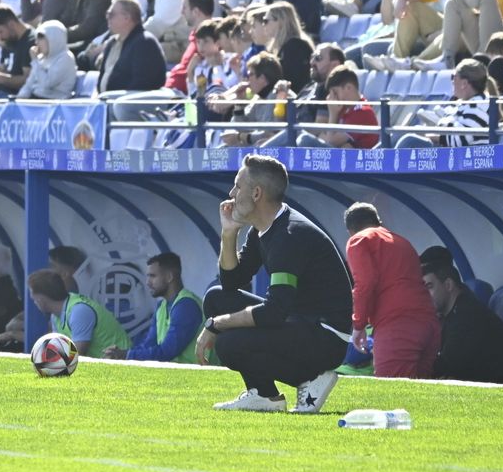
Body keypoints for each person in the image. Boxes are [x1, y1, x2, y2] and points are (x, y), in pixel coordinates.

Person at [195, 154, 353, 413]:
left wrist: (216, 324)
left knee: (228, 343)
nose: (231, 193)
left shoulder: (289, 236)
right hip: (300, 322)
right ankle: (264, 395)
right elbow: (232, 281)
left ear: (256, 193)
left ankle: (310, 379)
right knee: (217, 298)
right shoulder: (263, 228)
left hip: (326, 337)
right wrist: (229, 232)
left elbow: (274, 311)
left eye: (237, 186)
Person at [343, 203, 440, 378]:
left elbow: (365, 283)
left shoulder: (359, 240)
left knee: (396, 393)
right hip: (429, 325)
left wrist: (359, 325)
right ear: (378, 222)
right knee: (424, 395)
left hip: (397, 327)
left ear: (351, 230)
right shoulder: (402, 242)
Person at [421, 258, 503, 382]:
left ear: (448, 285)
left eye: (429, 287)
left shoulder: (468, 315)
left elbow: (445, 365)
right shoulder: (456, 311)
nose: (424, 295)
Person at [106, 251, 205, 362]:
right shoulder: (161, 306)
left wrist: (127, 355)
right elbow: (148, 345)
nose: (148, 283)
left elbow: (167, 352)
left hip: (196, 373)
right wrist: (123, 353)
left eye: (152, 276)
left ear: (169, 277)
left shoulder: (186, 306)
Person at [28, 267, 130, 356]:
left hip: (121, 364)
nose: (34, 301)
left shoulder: (78, 311)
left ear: (41, 299)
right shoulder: (56, 316)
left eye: (33, 298)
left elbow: (76, 356)